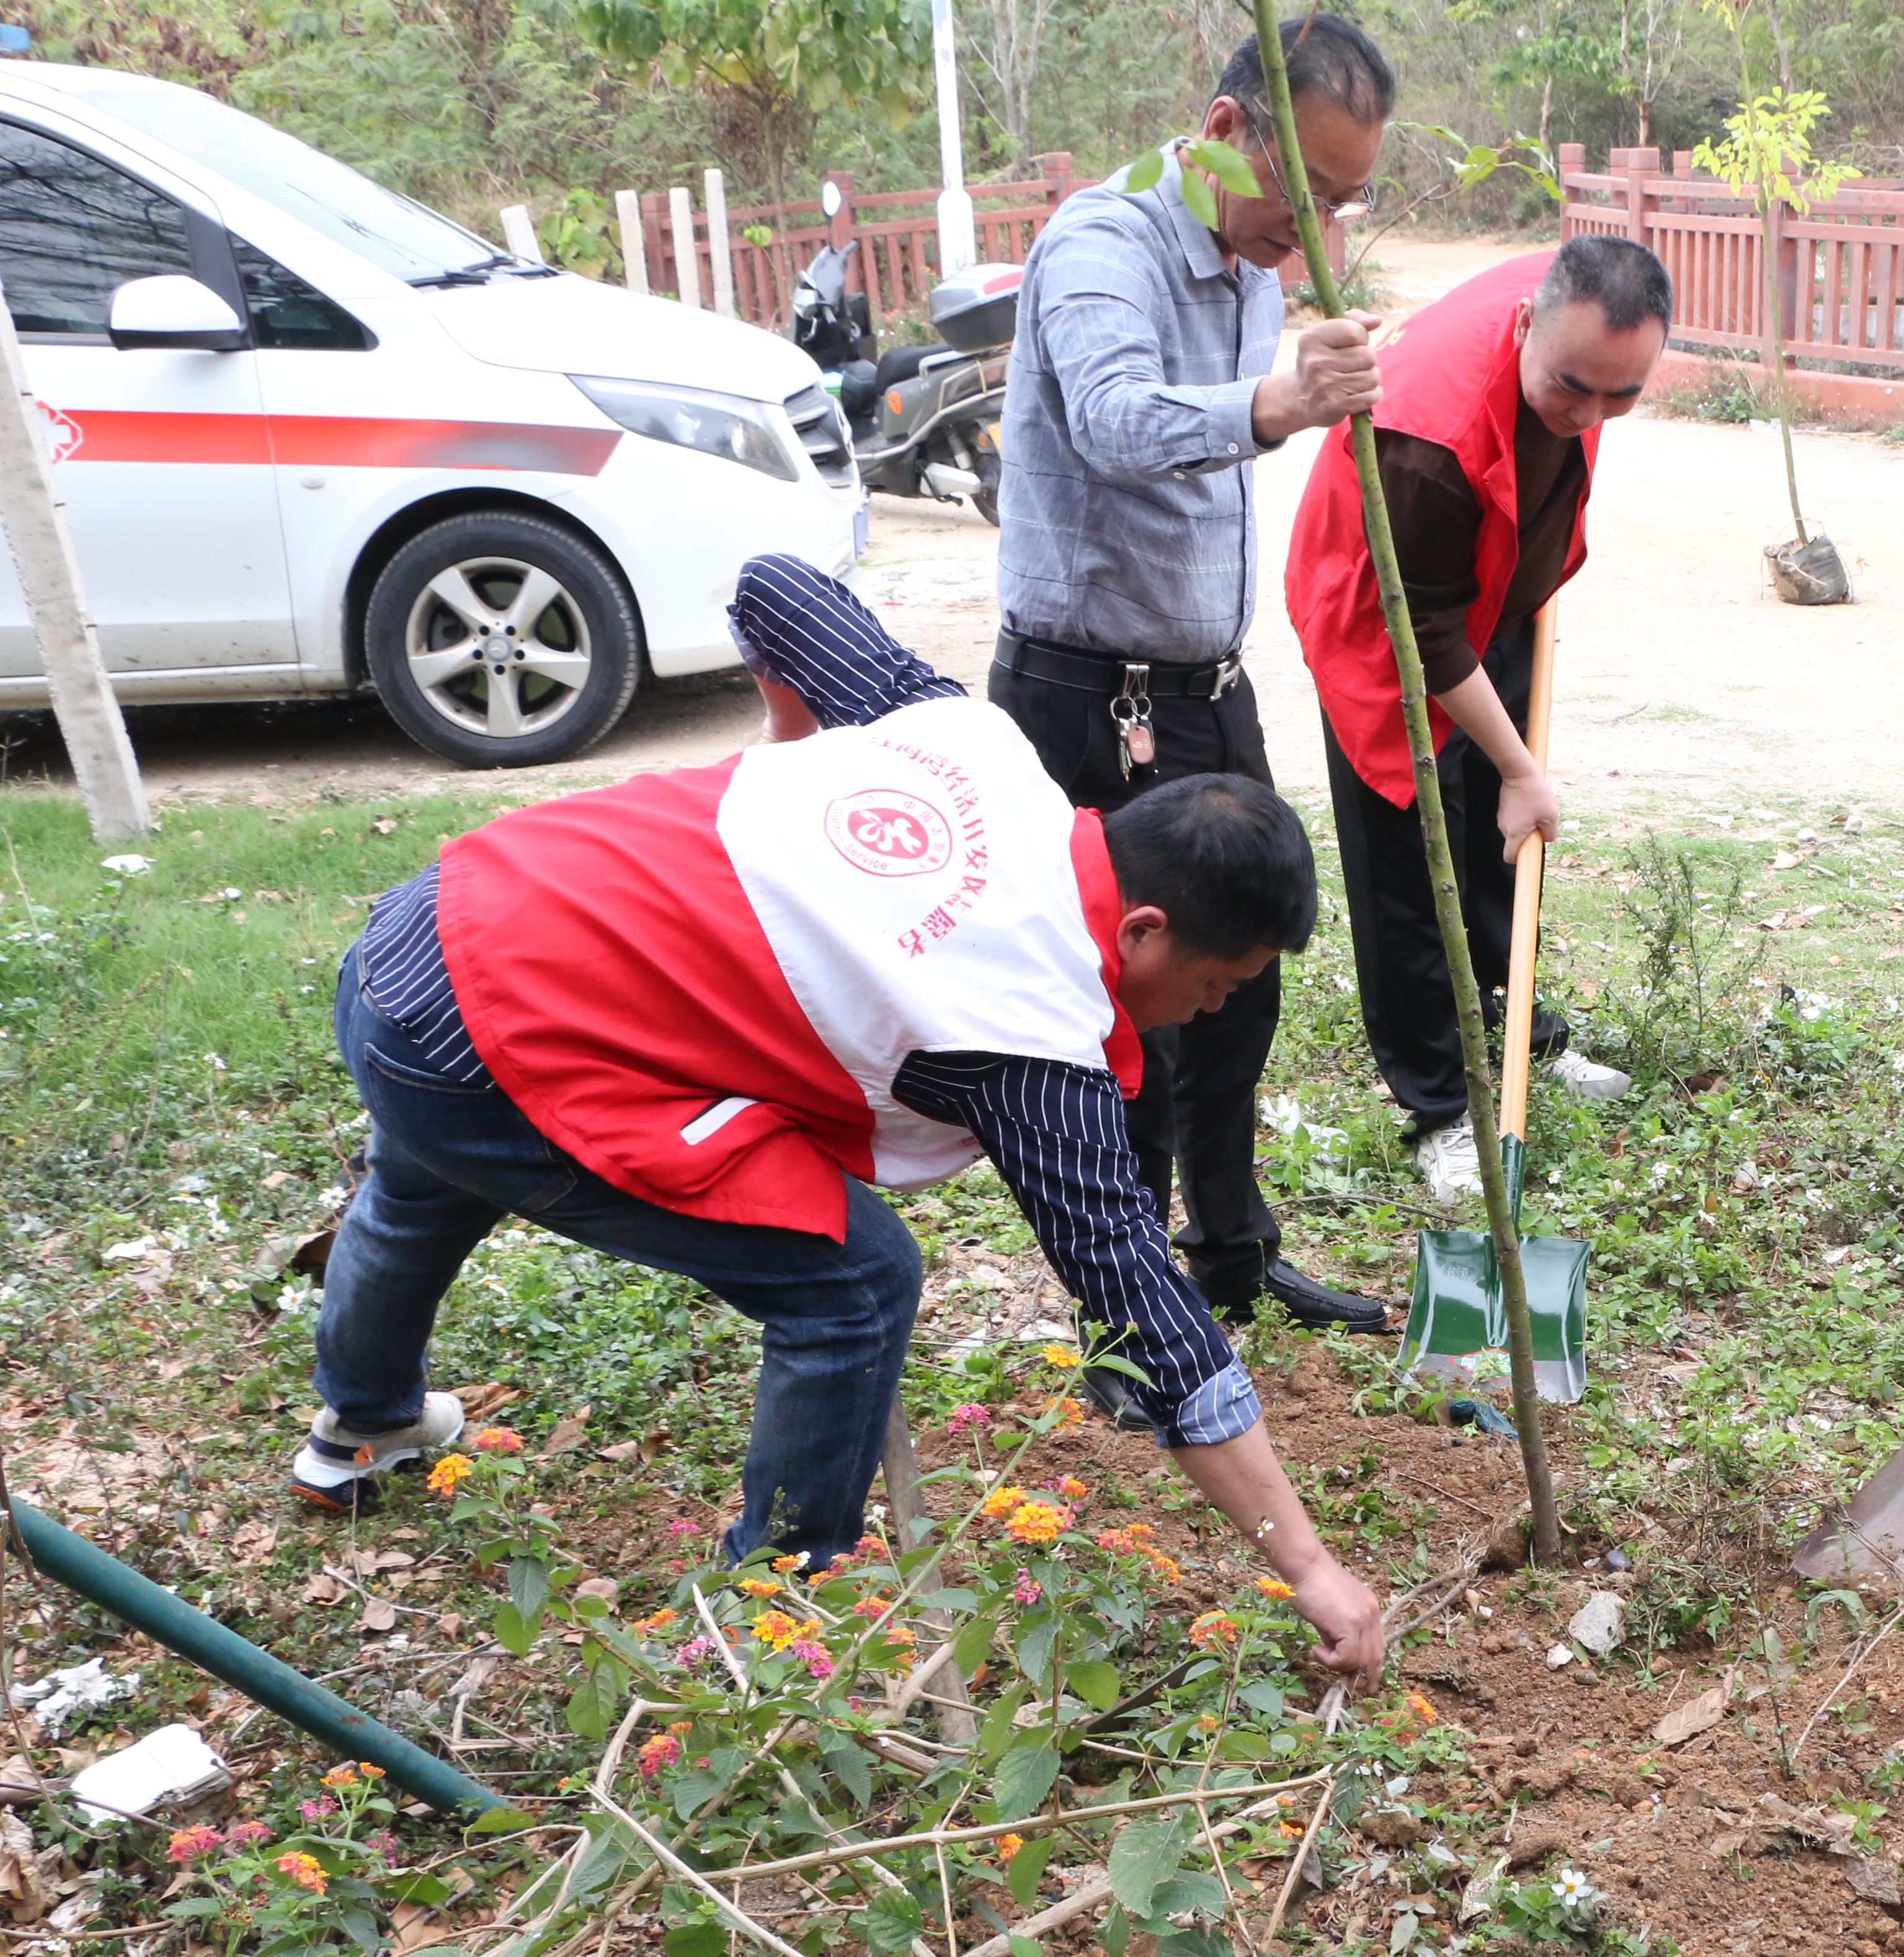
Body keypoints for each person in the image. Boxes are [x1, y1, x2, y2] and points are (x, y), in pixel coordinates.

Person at [290, 557, 1389, 1682]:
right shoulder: (1025, 1025)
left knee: (423, 1178)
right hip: (488, 1047)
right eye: (1217, 985)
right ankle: (775, 1612)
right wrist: (1306, 1565)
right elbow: (1137, 1297)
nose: (1207, 1013)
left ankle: (362, 1423)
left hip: (420, 940)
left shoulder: (979, 745)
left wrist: (797, 779)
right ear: (1146, 930)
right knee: (855, 1281)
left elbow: (774, 589)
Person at [986, 13, 1395, 1334]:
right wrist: (1276, 404)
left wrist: (1288, 387)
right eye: (1309, 193)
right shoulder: (1100, 246)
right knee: (1117, 1020)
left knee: (1245, 977)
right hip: (1082, 700)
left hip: (1205, 691)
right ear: (1226, 132)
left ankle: (1228, 1252)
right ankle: (1122, 1304)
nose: (1318, 230)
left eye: (1345, 202)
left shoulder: (1258, 268)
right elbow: (1112, 422)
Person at [1283, 236, 1671, 1202]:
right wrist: (1521, 769)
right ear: (1527, 324)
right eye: (1573, 389)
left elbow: (1569, 411)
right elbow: (1422, 634)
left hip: (1488, 585)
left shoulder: (1582, 307)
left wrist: (1510, 771)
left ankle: (1526, 1040)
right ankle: (1441, 1108)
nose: (1590, 416)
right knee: (1413, 860)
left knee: (1498, 837)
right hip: (1387, 618)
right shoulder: (1428, 437)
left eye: (1620, 397)